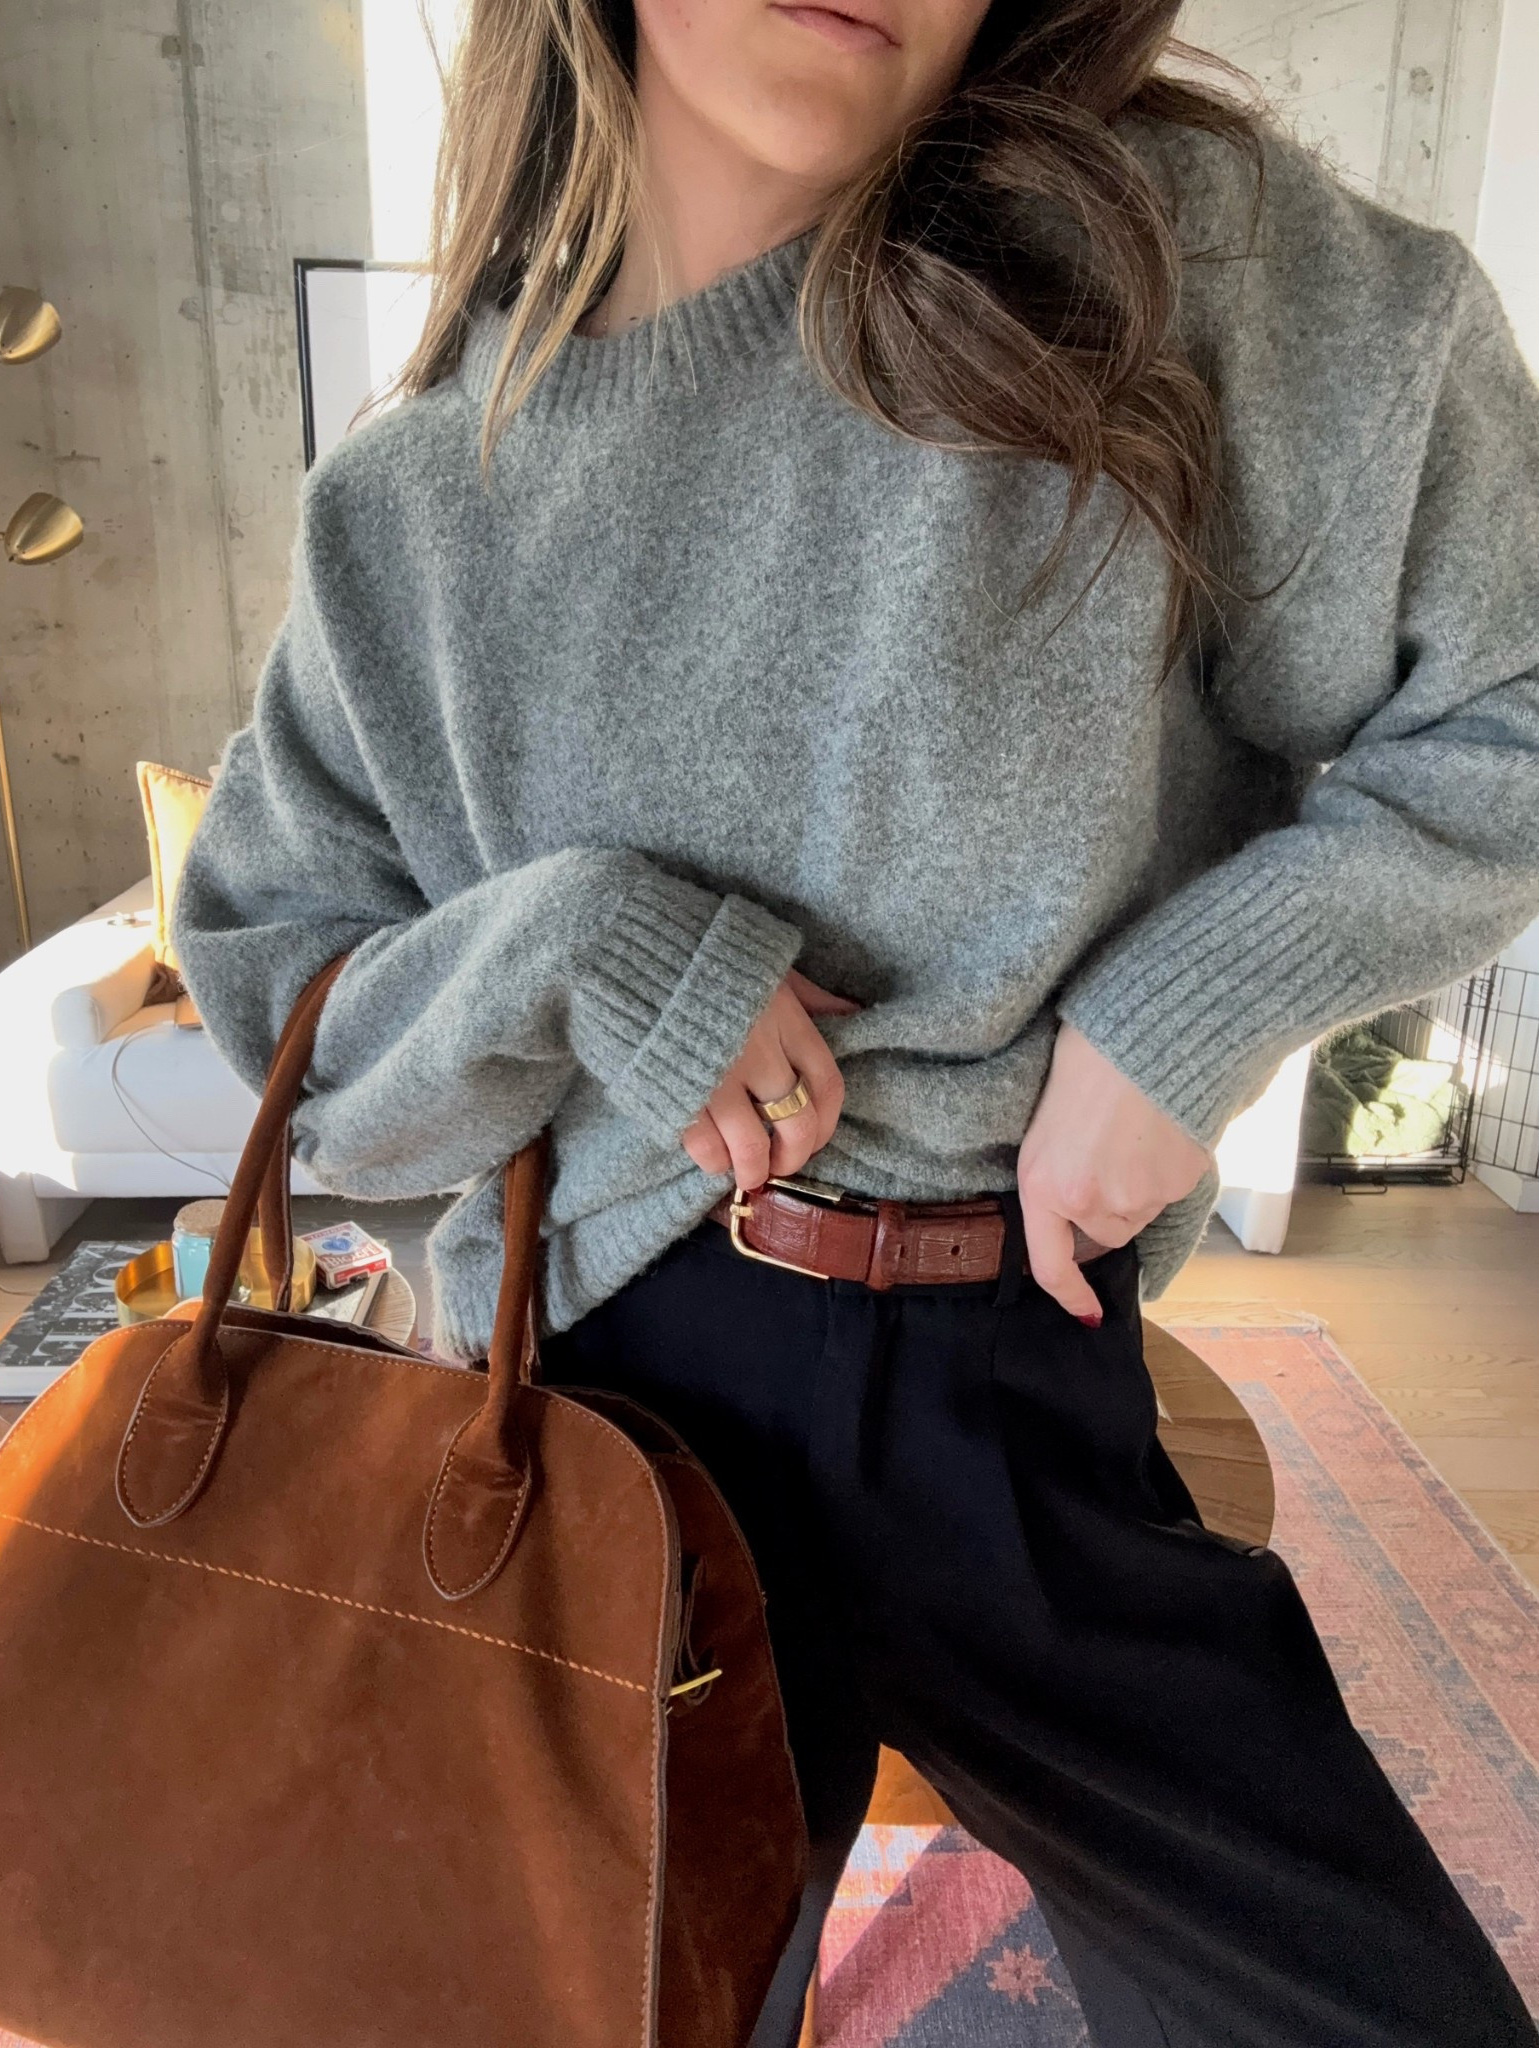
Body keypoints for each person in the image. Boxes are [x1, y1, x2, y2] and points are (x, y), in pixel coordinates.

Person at [171, 0, 1539, 2039]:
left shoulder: (1173, 266)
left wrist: (1187, 1019)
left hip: (1012, 1381)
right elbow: (299, 1029)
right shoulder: (409, 506)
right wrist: (572, 945)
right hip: (590, 1423)